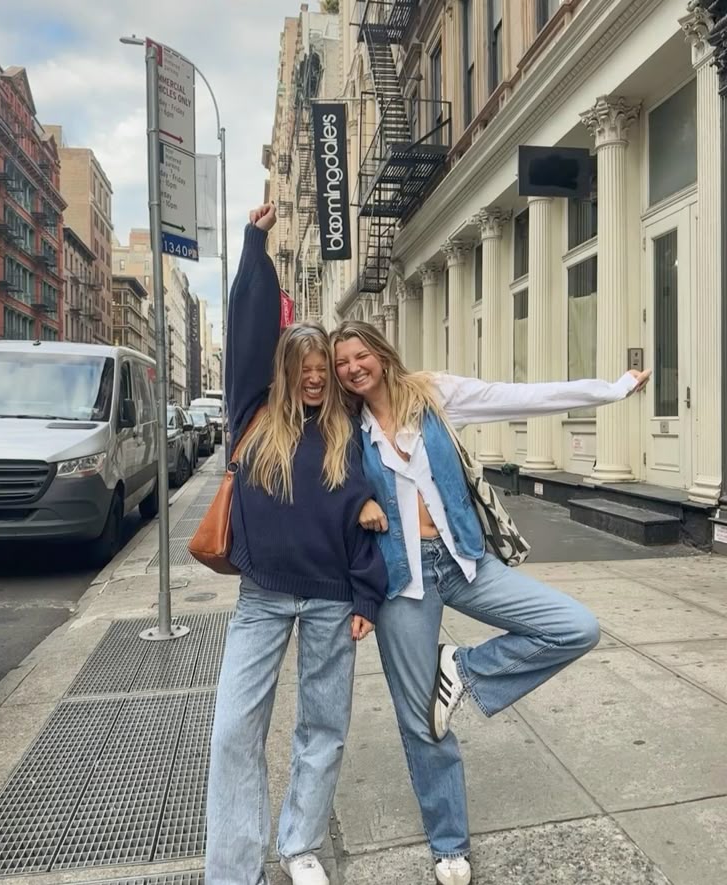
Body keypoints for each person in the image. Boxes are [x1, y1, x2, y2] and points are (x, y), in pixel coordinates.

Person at [330, 320, 651, 885]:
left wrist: (612, 389)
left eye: (361, 356)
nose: (353, 368)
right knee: (420, 720)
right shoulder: (342, 426)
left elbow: (518, 396)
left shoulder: (430, 393)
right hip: (402, 581)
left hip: (464, 563)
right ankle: (449, 842)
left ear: (382, 354)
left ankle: (464, 670)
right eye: (342, 363)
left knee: (575, 627)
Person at [206, 208, 387, 885]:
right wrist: (255, 248)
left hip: (333, 599)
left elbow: (367, 512)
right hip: (263, 598)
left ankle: (301, 842)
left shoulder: (347, 425)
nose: (316, 376)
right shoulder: (252, 414)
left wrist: (368, 589)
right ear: (287, 370)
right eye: (305, 366)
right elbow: (248, 327)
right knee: (232, 732)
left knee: (324, 727)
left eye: (324, 367)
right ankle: (233, 867)